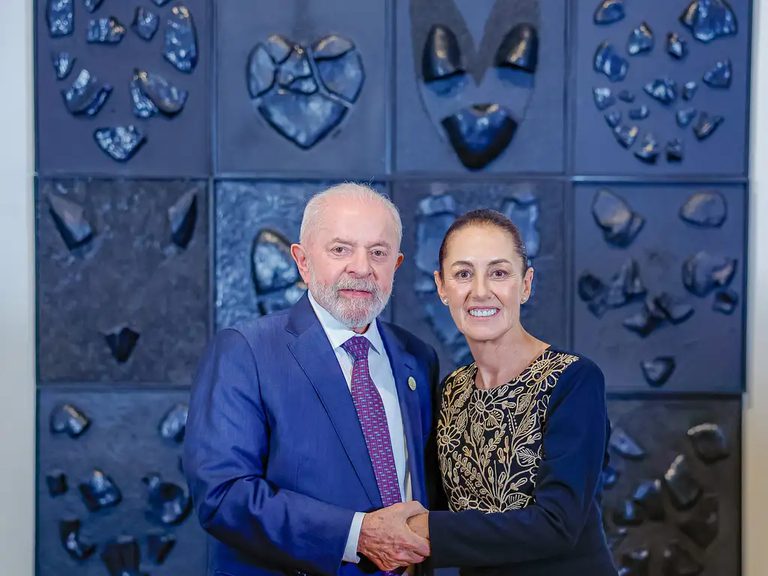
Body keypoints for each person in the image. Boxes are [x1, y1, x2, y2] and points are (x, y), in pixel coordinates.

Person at [184, 183, 440, 576]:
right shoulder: (246, 351)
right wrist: (356, 535)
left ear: (397, 264)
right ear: (302, 261)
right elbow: (222, 494)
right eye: (340, 249)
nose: (361, 267)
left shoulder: (418, 359)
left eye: (378, 252)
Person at [408, 209, 617, 576]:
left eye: (499, 273)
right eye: (463, 274)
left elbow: (558, 524)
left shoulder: (574, 380)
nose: (480, 291)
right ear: (441, 287)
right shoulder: (451, 391)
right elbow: (443, 506)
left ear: (525, 284)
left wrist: (425, 527)